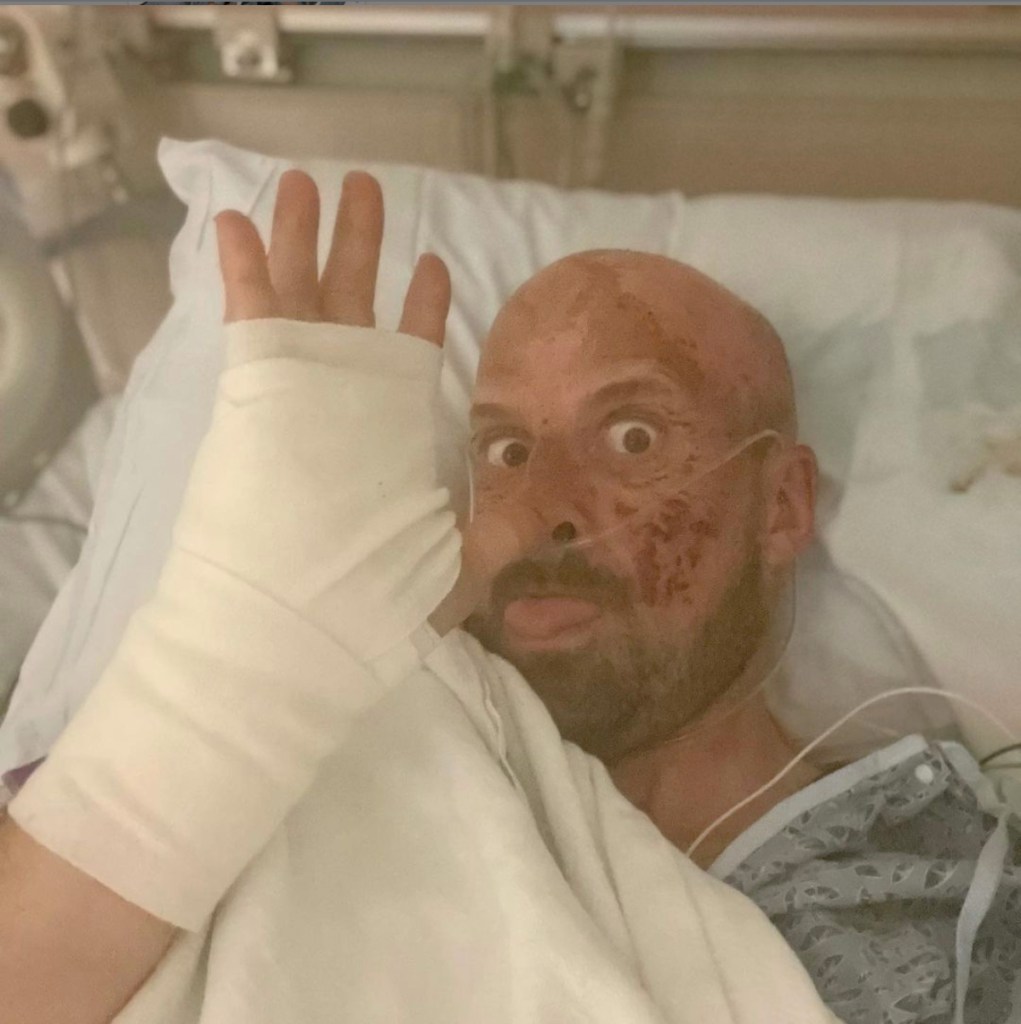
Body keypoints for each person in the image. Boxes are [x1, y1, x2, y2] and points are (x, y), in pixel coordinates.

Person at [0, 171, 1016, 1024]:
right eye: (506, 450)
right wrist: (243, 655)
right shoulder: (305, 720)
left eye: (631, 437)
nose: (542, 511)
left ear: (781, 504)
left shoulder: (930, 894)